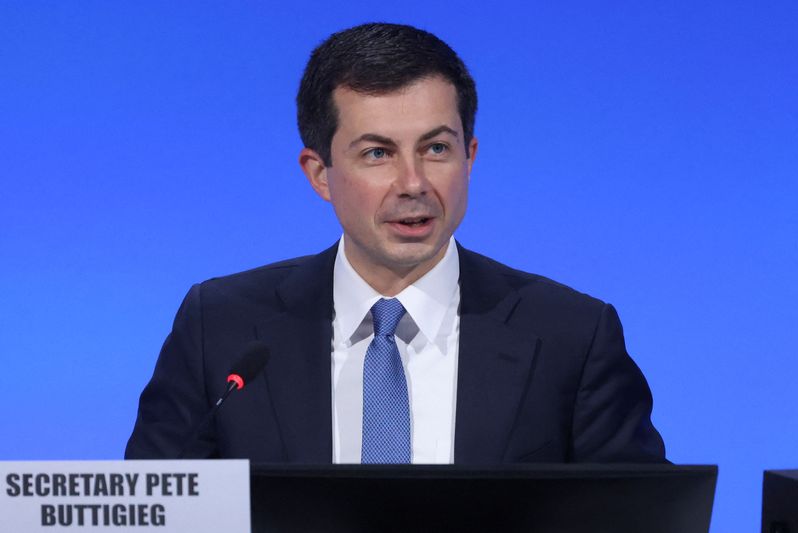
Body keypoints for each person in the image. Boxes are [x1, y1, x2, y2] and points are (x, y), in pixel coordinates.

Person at [125, 22, 666, 464]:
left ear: (470, 157)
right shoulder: (221, 328)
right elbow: (156, 514)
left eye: (435, 148)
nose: (413, 183)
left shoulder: (570, 334)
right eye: (378, 154)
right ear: (319, 173)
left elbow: (641, 517)